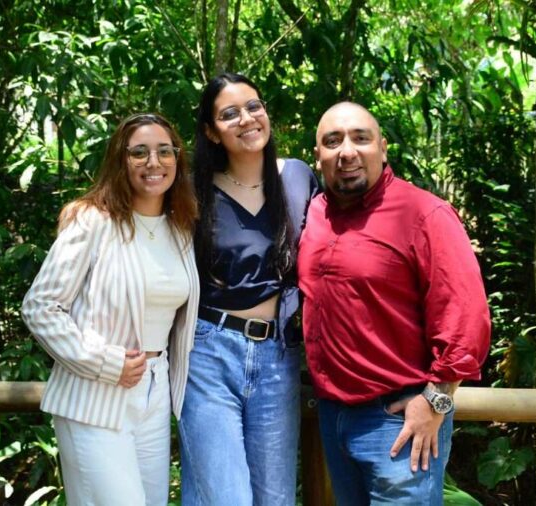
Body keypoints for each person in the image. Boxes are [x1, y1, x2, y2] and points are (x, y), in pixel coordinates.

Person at [297, 102, 491, 505]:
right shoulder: (315, 213)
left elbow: (466, 319)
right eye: (332, 141)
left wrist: (437, 400)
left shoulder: (424, 213)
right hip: (333, 414)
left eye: (360, 138)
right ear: (318, 157)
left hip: (399, 418)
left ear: (383, 149)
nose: (346, 151)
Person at [21, 113, 199, 506]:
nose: (154, 162)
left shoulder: (181, 228)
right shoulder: (92, 220)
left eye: (164, 151)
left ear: (177, 159)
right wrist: (103, 362)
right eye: (139, 152)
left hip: (154, 395)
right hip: (94, 396)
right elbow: (40, 307)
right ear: (121, 160)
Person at [179, 73, 319, 505]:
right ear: (211, 131)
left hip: (279, 355)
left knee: (274, 498)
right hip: (210, 352)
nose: (246, 119)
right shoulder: (191, 192)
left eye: (253, 106)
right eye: (229, 114)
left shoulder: (296, 177)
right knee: (225, 497)